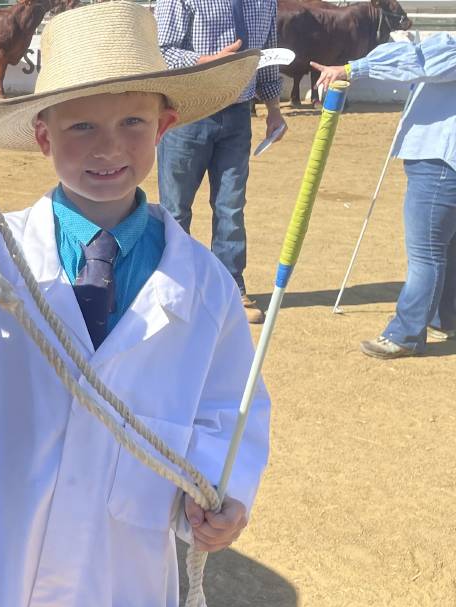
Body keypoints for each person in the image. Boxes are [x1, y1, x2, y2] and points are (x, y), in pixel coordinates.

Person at [0, 3, 271, 607]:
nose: (108, 147)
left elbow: (230, 410)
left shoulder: (204, 289)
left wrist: (230, 494)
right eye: (81, 126)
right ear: (43, 135)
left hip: (119, 584)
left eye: (132, 122)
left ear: (164, 127)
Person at [314, 36, 456, 359]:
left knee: (426, 252)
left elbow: (417, 60)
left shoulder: (450, 49)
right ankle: (444, 318)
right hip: (444, 160)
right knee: (446, 246)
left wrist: (352, 68)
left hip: (439, 159)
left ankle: (405, 333)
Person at [155, 0, 287, 324]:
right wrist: (205, 62)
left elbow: (266, 59)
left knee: (231, 206)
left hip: (239, 114)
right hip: (187, 112)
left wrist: (273, 110)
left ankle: (230, 287)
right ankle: (172, 287)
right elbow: (162, 50)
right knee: (175, 209)